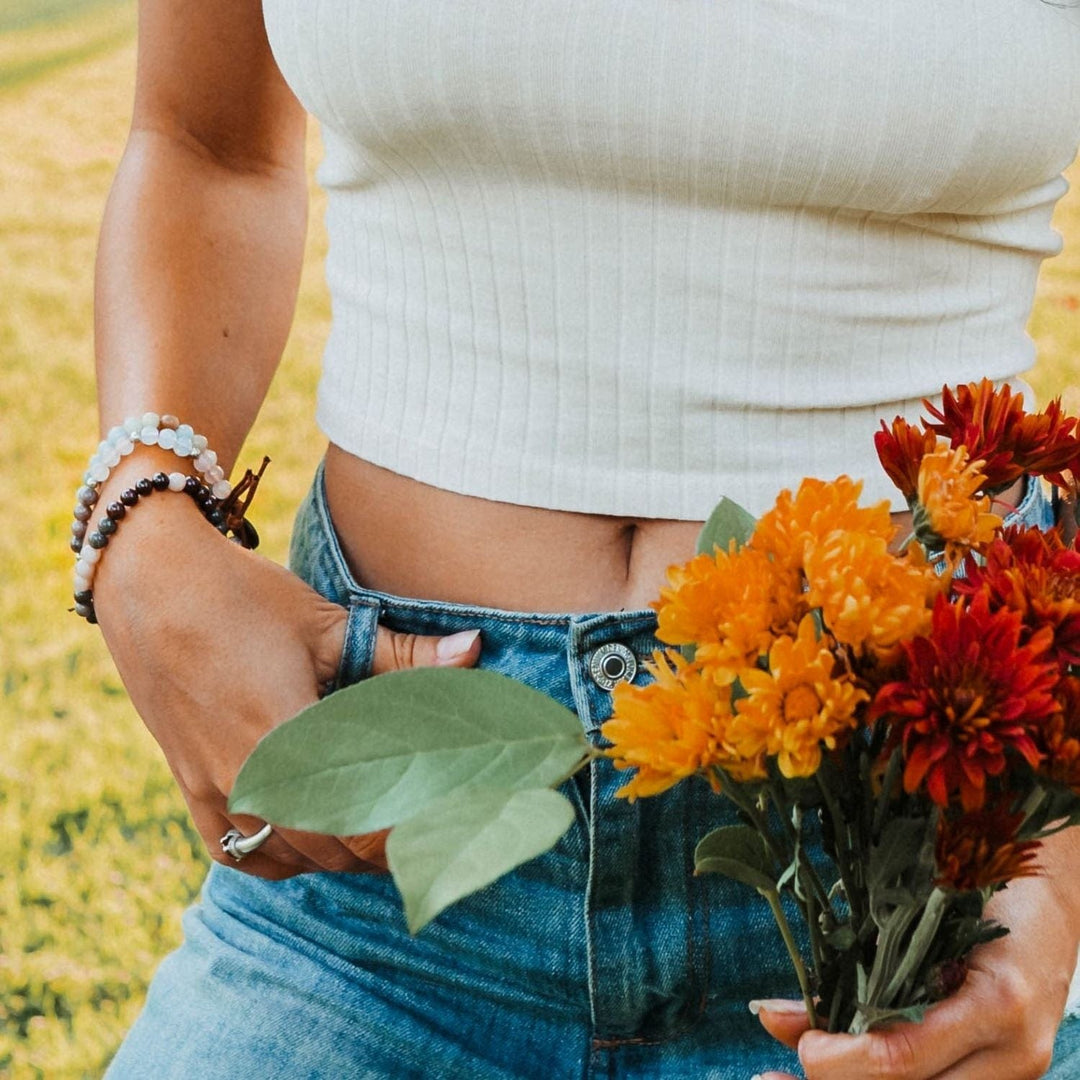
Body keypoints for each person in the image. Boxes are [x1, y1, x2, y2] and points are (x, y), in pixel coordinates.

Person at [84, 2, 1080, 1077]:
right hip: (380, 868)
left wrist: (1059, 866)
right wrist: (147, 530)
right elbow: (206, 145)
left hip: (915, 894)